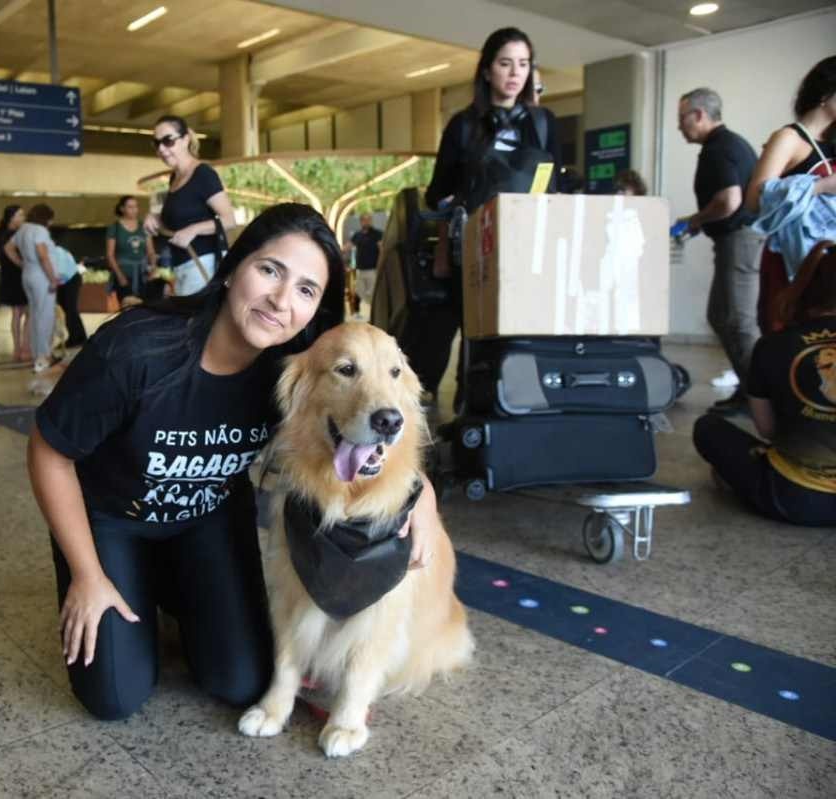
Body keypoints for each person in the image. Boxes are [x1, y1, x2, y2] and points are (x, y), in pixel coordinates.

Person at [29, 203, 447, 721]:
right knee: (114, 697)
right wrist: (88, 575)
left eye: (305, 290)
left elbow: (371, 422)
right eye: (270, 270)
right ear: (232, 268)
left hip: (205, 519)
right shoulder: (138, 348)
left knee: (242, 680)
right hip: (113, 521)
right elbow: (49, 451)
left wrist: (421, 498)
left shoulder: (293, 371)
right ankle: (135, 578)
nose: (280, 299)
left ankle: (174, 588)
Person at [420, 26, 560, 404]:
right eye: (505, 63)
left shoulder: (543, 124)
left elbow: (554, 189)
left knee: (524, 333)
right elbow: (436, 193)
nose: (515, 73)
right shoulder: (463, 126)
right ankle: (473, 410)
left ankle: (519, 404)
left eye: (523, 64)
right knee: (476, 335)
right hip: (475, 250)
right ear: (486, 70)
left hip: (530, 248)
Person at [693, 241, 836, 527]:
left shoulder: (772, 346)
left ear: (805, 287)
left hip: (794, 499)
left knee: (708, 428)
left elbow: (768, 430)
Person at [678, 87, 764, 416]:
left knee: (740, 322)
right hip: (734, 240)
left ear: (699, 115)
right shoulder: (730, 144)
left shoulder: (719, 148)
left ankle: (763, 397)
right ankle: (749, 389)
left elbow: (729, 201)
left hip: (740, 239)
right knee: (720, 316)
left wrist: (696, 219)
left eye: (682, 118)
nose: (679, 126)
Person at [745, 56, 836, 335]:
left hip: (830, 262)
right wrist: (820, 186)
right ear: (825, 94)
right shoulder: (789, 138)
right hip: (795, 261)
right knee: (794, 336)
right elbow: (754, 200)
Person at [142, 115, 237, 296]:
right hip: (181, 264)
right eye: (157, 143)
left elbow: (229, 219)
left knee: (190, 322)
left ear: (185, 139)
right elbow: (172, 227)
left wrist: (193, 230)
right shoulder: (174, 178)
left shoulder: (203, 174)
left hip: (201, 263)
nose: (162, 148)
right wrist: (153, 219)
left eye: (168, 141)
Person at [5, 203, 60, 373]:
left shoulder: (23, 229)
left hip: (27, 274)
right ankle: (44, 357)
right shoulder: (39, 231)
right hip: (41, 277)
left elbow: (8, 248)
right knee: (45, 317)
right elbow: (43, 255)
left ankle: (38, 355)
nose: (50, 223)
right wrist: (52, 279)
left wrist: (22, 263)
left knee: (35, 316)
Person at [0, 205, 30, 362]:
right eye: (20, 215)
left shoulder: (1, 235)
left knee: (17, 313)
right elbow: (12, 254)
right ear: (12, 217)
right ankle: (23, 348)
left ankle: (18, 348)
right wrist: (23, 264)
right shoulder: (14, 235)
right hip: (18, 277)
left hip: (9, 277)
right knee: (25, 313)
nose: (23, 218)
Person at [107, 195, 156, 300]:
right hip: (124, 274)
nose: (134, 210)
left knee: (144, 308)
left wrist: (153, 268)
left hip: (143, 275)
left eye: (136, 207)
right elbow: (110, 255)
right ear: (122, 209)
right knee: (127, 307)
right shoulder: (115, 228)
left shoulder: (144, 226)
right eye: (130, 207)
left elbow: (151, 251)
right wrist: (120, 276)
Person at [343, 213, 382, 318]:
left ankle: (374, 315)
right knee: (359, 292)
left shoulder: (377, 234)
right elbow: (348, 246)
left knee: (373, 294)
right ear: (361, 222)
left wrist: (381, 265)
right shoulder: (358, 235)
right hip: (360, 270)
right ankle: (357, 313)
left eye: (368, 219)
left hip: (372, 269)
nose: (367, 221)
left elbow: (381, 249)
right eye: (364, 220)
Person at [51, 236, 87, 348]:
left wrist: (52, 283)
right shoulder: (55, 251)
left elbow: (61, 273)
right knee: (68, 309)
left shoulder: (57, 252)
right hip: (66, 281)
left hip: (71, 280)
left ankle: (77, 338)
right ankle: (78, 337)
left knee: (71, 309)